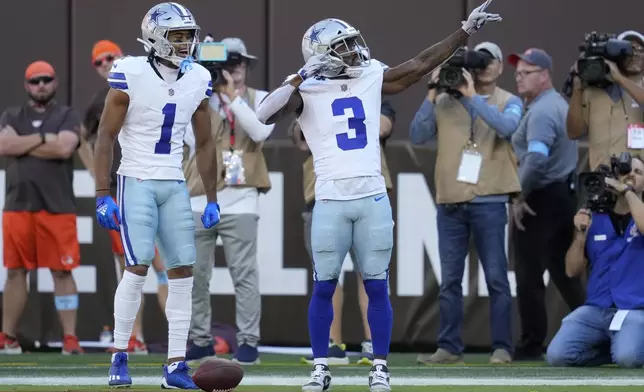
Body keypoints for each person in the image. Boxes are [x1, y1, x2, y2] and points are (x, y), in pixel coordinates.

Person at [256, 2, 502, 391]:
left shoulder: (370, 72)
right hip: (331, 201)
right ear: (322, 54)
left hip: (372, 195)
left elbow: (420, 64)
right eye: (344, 47)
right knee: (324, 285)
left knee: (376, 285)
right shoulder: (306, 85)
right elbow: (263, 115)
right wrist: (300, 76)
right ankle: (320, 369)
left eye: (353, 43)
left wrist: (464, 33)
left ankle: (380, 369)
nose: (355, 52)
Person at [92, 2, 220, 389]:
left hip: (174, 182)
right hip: (137, 179)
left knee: (182, 271)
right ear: (155, 38)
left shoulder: (197, 76)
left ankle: (175, 366)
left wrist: (212, 196)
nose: (186, 43)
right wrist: (102, 192)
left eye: (188, 35)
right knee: (138, 266)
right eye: (177, 35)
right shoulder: (130, 72)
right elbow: (105, 137)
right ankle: (119, 355)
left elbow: (205, 142)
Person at [410, 42, 522, 364]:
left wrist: (472, 96)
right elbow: (417, 135)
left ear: (500, 68)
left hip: (489, 199)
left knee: (497, 277)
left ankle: (502, 347)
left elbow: (507, 127)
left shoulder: (509, 102)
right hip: (450, 202)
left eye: (490, 60)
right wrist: (431, 91)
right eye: (479, 61)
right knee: (449, 280)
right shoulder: (444, 102)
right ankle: (449, 347)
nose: (484, 65)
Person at [184, 37, 273, 365]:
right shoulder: (195, 99)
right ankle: (199, 339)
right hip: (198, 197)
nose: (232, 72)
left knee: (244, 273)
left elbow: (260, 131)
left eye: (238, 65)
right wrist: (203, 92)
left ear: (247, 67)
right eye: (225, 66)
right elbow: (188, 142)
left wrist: (231, 96)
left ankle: (248, 341)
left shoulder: (258, 99)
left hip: (241, 198)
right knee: (196, 276)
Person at [80, 39, 169, 355]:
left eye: (111, 57)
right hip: (127, 187)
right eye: (99, 61)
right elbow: (84, 138)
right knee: (133, 266)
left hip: (159, 180)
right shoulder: (101, 98)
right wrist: (98, 178)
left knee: (167, 267)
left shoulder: (149, 81)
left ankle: (182, 337)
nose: (106, 63)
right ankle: (136, 336)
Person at [292, 99, 396, 367]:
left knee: (371, 274)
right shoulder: (313, 89)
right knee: (327, 277)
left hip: (367, 190)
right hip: (325, 193)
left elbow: (383, 127)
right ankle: (332, 344)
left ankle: (373, 344)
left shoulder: (371, 82)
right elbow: (300, 137)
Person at [0, 61, 83, 355]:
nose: (41, 85)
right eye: (35, 81)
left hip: (57, 205)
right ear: (26, 85)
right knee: (15, 271)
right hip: (18, 204)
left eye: (46, 80)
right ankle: (7, 336)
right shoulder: (11, 114)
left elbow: (64, 148)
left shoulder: (67, 114)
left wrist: (23, 143)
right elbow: (3, 146)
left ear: (55, 83)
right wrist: (45, 138)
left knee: (62, 272)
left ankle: (70, 338)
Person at [508, 48, 585, 360]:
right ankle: (595, 330)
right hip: (561, 195)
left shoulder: (541, 111)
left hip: (541, 198)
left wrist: (519, 196)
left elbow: (537, 159)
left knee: (528, 275)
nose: (518, 76)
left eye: (527, 72)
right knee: (565, 275)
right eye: (517, 71)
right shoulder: (554, 104)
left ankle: (531, 344)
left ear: (544, 75)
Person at [547, 155, 644, 368]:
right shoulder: (596, 217)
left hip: (634, 308)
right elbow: (572, 271)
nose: (631, 176)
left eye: (638, 173)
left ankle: (628, 346)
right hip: (597, 308)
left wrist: (626, 191)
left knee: (628, 358)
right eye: (626, 172)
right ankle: (614, 350)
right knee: (557, 356)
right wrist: (580, 235)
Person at [567, 30, 644, 170]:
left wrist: (619, 78)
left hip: (638, 181)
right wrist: (577, 87)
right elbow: (574, 133)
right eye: (630, 49)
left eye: (641, 49)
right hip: (601, 180)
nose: (636, 53)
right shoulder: (593, 90)